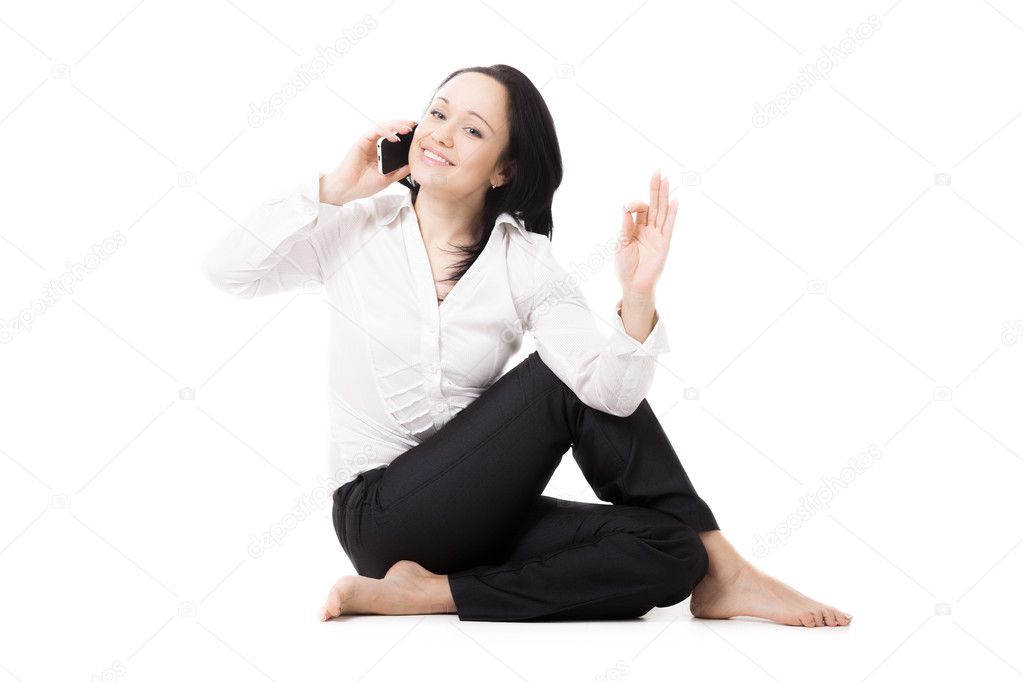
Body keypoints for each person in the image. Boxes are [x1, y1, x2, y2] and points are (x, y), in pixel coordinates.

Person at [202, 64, 852, 627]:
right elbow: (227, 272)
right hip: (378, 518)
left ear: (503, 170)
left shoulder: (526, 263)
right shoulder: (353, 231)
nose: (443, 134)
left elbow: (613, 399)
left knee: (670, 550)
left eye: (473, 129)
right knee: (557, 381)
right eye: (438, 113)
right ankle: (729, 570)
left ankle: (436, 595)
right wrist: (331, 191)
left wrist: (637, 295)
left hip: (474, 524)